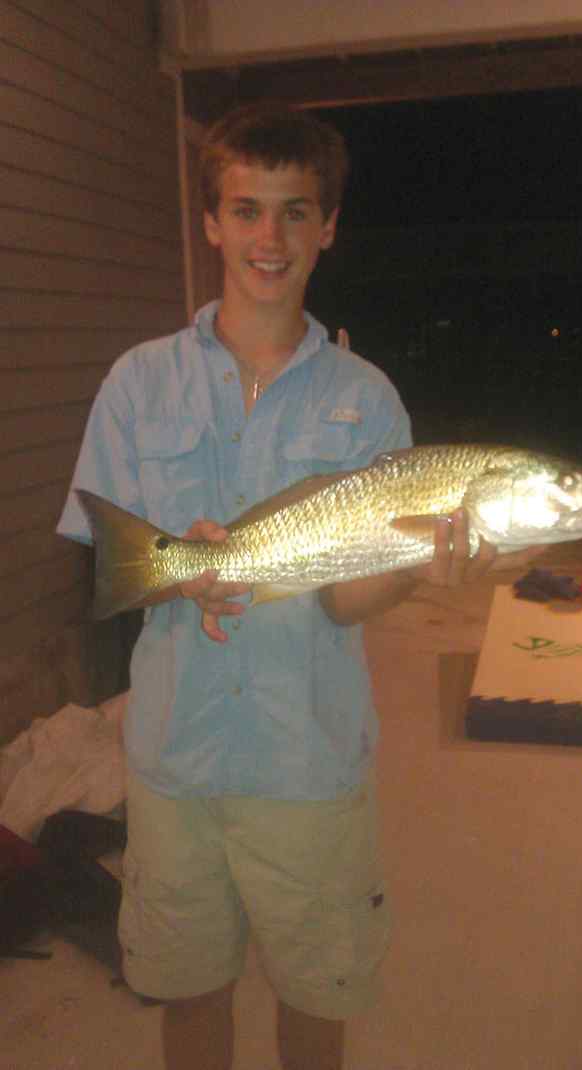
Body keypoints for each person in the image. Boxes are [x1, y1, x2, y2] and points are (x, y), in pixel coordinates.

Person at [57, 102, 545, 1070]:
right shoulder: (137, 382)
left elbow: (341, 597)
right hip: (174, 760)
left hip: (307, 762)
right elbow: (115, 569)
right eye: (246, 210)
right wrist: (178, 576)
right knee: (189, 991)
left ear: (328, 226)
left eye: (294, 212)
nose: (267, 238)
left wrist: (419, 562)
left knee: (316, 1000)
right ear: (211, 223)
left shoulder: (366, 400)